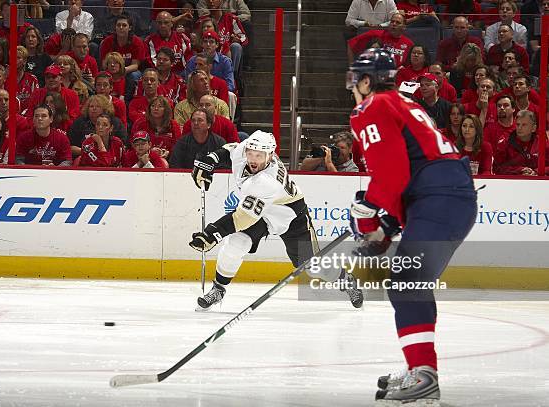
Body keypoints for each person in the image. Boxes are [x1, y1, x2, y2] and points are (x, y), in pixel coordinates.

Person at [347, 48, 477, 404]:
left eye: (356, 77)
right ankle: (420, 367)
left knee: (407, 281)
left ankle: (424, 373)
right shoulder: (404, 103)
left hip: (439, 196)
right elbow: (412, 171)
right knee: (410, 281)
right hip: (446, 195)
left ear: (367, 80)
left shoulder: (370, 107)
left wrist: (368, 216)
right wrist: (387, 224)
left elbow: (392, 175)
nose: (352, 86)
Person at [188, 129, 363, 310]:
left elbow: (243, 218)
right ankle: (218, 289)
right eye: (251, 153)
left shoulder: (267, 181)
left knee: (312, 267)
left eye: (259, 155)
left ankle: (345, 279)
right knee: (237, 242)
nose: (253, 159)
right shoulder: (245, 150)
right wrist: (210, 161)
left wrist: (213, 233)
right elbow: (230, 149)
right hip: (262, 213)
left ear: (270, 156)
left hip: (290, 214)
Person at [347, 11, 413, 67]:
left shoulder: (409, 44)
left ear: (404, 27)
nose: (394, 24)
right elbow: (351, 44)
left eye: (398, 22)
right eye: (392, 22)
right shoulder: (375, 34)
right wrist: (352, 67)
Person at [494, 110, 549, 175]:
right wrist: (520, 170)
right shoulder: (504, 142)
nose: (519, 128)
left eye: (524, 125)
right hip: (512, 182)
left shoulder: (542, 143)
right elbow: (497, 168)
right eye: (518, 124)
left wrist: (536, 172)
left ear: (533, 128)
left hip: (537, 182)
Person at [99, 15, 146, 81]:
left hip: (129, 71)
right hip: (111, 70)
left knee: (134, 75)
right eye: (118, 25)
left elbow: (135, 65)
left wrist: (122, 71)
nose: (121, 27)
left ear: (130, 28)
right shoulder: (107, 42)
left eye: (124, 25)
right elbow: (104, 65)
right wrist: (114, 71)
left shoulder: (137, 42)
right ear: (115, 28)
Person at [16, 46, 39, 114]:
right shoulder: (5, 79)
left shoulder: (32, 79)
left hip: (27, 116)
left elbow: (36, 102)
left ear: (25, 61)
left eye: (18, 58)